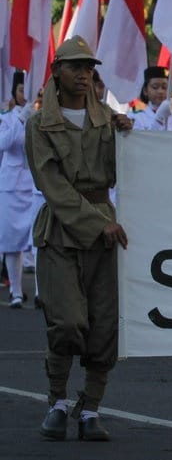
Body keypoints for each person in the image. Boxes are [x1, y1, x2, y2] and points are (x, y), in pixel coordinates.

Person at [25, 35, 133, 441]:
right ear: (57, 72)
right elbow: (51, 183)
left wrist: (129, 138)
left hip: (106, 228)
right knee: (67, 321)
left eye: (90, 68)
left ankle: (90, 408)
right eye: (75, 67)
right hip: (62, 230)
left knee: (104, 327)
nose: (84, 74)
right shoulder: (40, 124)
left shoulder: (108, 120)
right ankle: (56, 401)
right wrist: (94, 223)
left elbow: (127, 173)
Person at [0, 72, 35, 308]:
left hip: (36, 185)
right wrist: (21, 119)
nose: (25, 95)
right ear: (14, 92)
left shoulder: (41, 116)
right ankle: (16, 291)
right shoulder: (7, 118)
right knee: (12, 241)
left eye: (29, 90)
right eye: (22, 90)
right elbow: (4, 145)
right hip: (12, 185)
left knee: (39, 242)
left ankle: (43, 293)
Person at [127, 66, 169, 131]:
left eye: (164, 87)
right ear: (145, 91)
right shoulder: (134, 118)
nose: (160, 91)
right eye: (155, 87)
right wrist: (159, 119)